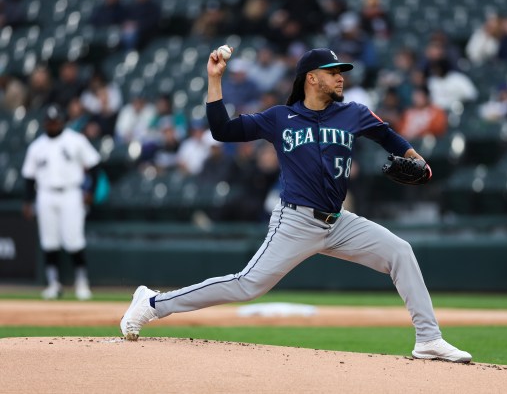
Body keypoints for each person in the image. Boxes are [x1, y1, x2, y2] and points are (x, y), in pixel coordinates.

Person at [120, 47, 472, 363]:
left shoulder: (354, 113)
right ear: (311, 78)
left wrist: (415, 158)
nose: (340, 77)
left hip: (340, 222)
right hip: (295, 221)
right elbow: (223, 130)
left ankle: (428, 339)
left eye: (341, 72)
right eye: (333, 72)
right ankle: (151, 304)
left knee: (401, 251)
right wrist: (215, 79)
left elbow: (388, 135)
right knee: (247, 285)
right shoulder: (280, 118)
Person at [21, 104, 101, 300]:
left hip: (71, 192)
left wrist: (90, 191)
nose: (53, 125)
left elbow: (94, 165)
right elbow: (29, 178)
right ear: (44, 123)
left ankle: (82, 283)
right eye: (49, 121)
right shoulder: (37, 146)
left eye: (56, 121)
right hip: (45, 194)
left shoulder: (76, 140)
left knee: (74, 240)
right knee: (49, 241)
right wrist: (28, 201)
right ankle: (53, 283)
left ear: (62, 121)